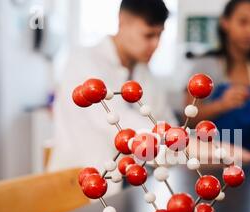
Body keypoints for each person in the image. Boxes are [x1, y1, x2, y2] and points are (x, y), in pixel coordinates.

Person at [49, 0, 177, 178]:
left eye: (159, 35)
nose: (156, 44)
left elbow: (166, 120)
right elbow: (119, 123)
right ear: (122, 21)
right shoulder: (83, 62)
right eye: (148, 35)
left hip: (133, 186)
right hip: (80, 188)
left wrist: (186, 146)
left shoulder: (145, 73)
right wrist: (186, 145)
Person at [186, 0, 250, 154]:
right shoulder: (205, 65)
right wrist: (222, 105)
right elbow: (188, 120)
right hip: (212, 158)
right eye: (243, 22)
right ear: (225, 22)